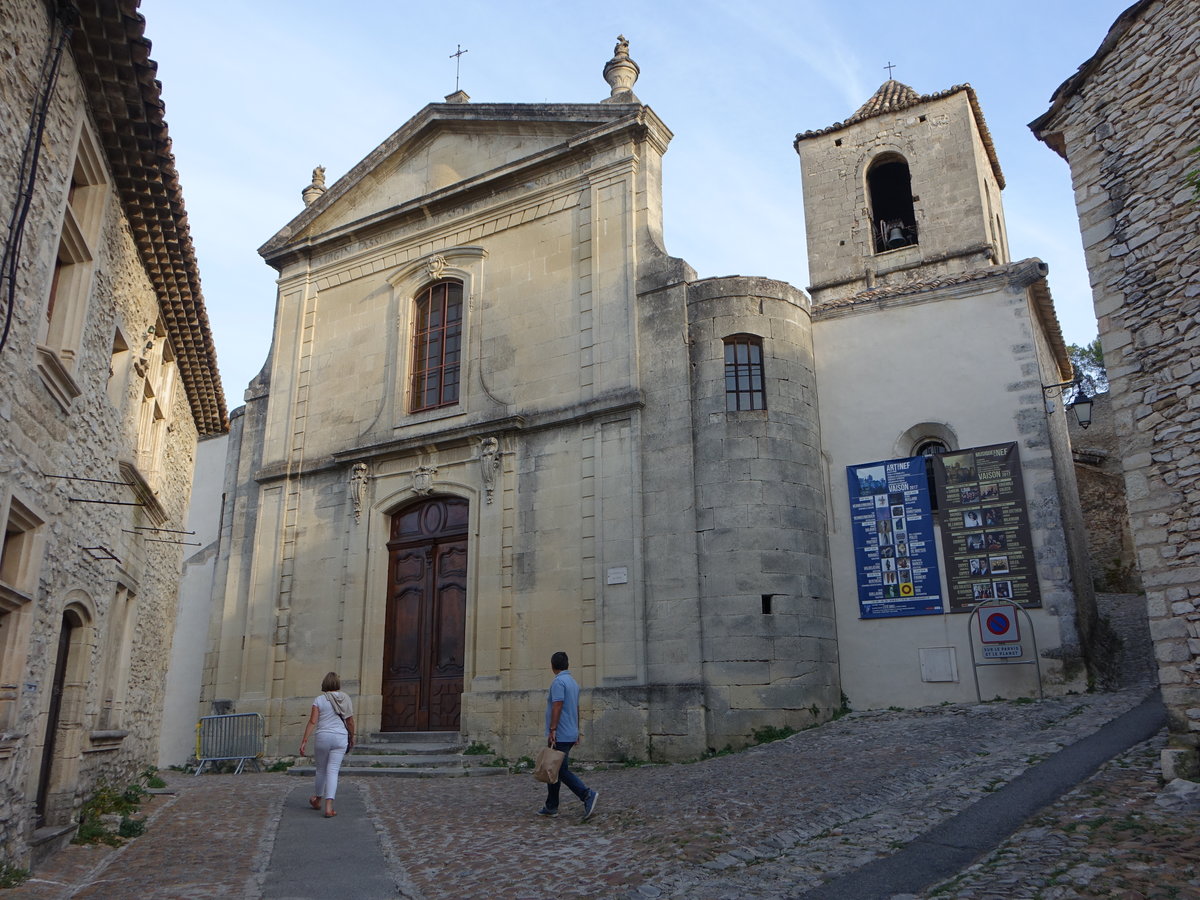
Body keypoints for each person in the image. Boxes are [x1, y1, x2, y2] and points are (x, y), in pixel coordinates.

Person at [537, 651, 598, 820]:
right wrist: (576, 730)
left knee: (559, 769)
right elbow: (576, 708)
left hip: (561, 733)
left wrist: (553, 729)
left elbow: (558, 705)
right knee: (554, 768)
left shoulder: (558, 682)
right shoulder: (573, 682)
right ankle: (551, 806)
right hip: (570, 731)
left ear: (552, 666)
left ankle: (586, 794)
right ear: (567, 664)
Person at [299, 671, 355, 818]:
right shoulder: (346, 698)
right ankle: (329, 807)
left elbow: (312, 721)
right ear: (337, 684)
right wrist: (352, 737)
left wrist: (304, 740)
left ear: (324, 684)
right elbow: (350, 721)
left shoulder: (319, 700)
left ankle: (317, 799)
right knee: (333, 771)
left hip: (323, 736)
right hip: (340, 737)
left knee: (321, 770)